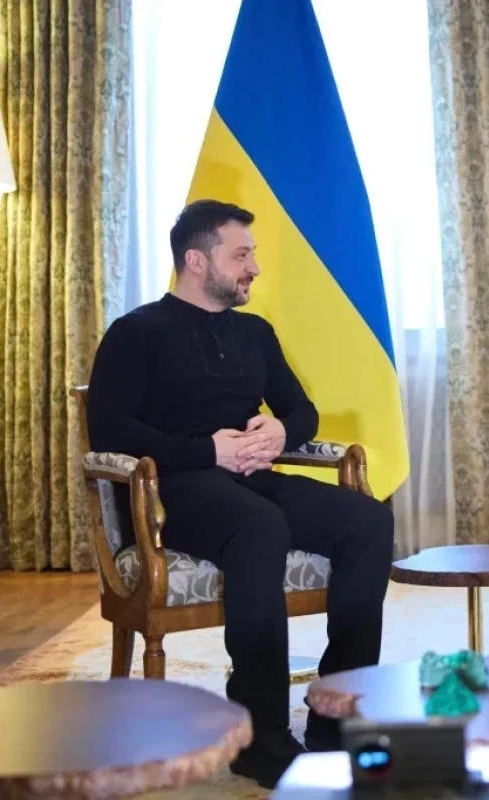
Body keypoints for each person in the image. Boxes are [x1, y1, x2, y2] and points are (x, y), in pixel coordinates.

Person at [85, 199, 395, 788]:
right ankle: (260, 737)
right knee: (258, 526)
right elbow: (109, 431)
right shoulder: (135, 332)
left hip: (251, 480)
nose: (254, 267)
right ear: (197, 261)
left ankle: (336, 714)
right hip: (173, 492)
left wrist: (281, 431)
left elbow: (301, 410)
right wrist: (207, 451)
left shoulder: (255, 332)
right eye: (241, 254)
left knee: (367, 521)